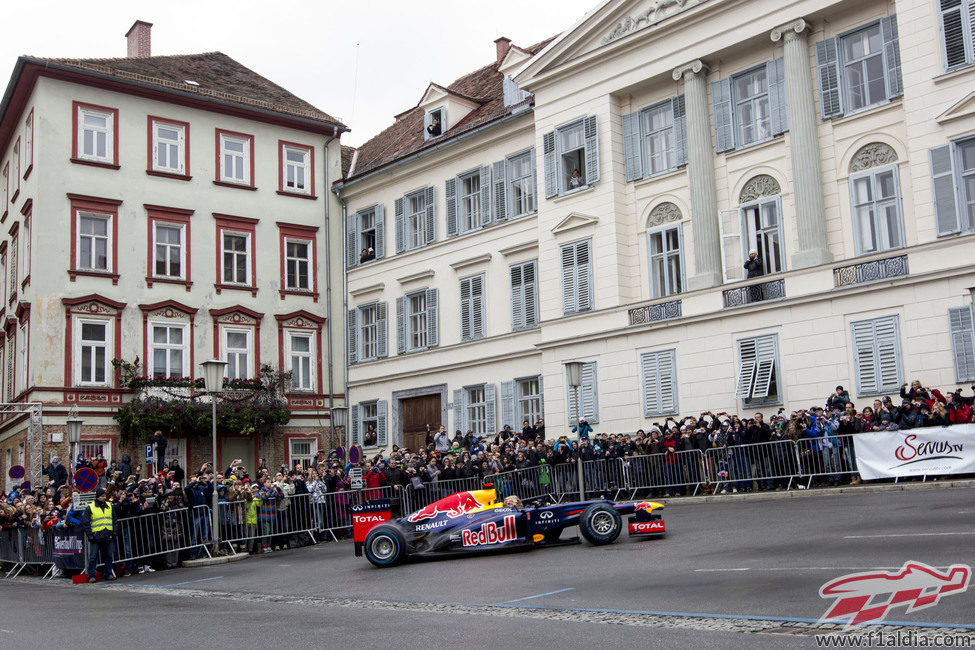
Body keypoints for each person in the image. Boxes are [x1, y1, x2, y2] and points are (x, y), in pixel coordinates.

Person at [82, 488, 116, 582]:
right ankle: (91, 575)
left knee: (109, 555)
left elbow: (114, 519)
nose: (104, 498)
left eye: (105, 496)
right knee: (93, 557)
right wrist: (90, 535)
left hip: (107, 534)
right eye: (102, 496)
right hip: (96, 536)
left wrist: (114, 531)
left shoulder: (109, 506)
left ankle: (108, 573)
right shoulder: (91, 507)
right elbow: (86, 522)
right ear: (97, 497)